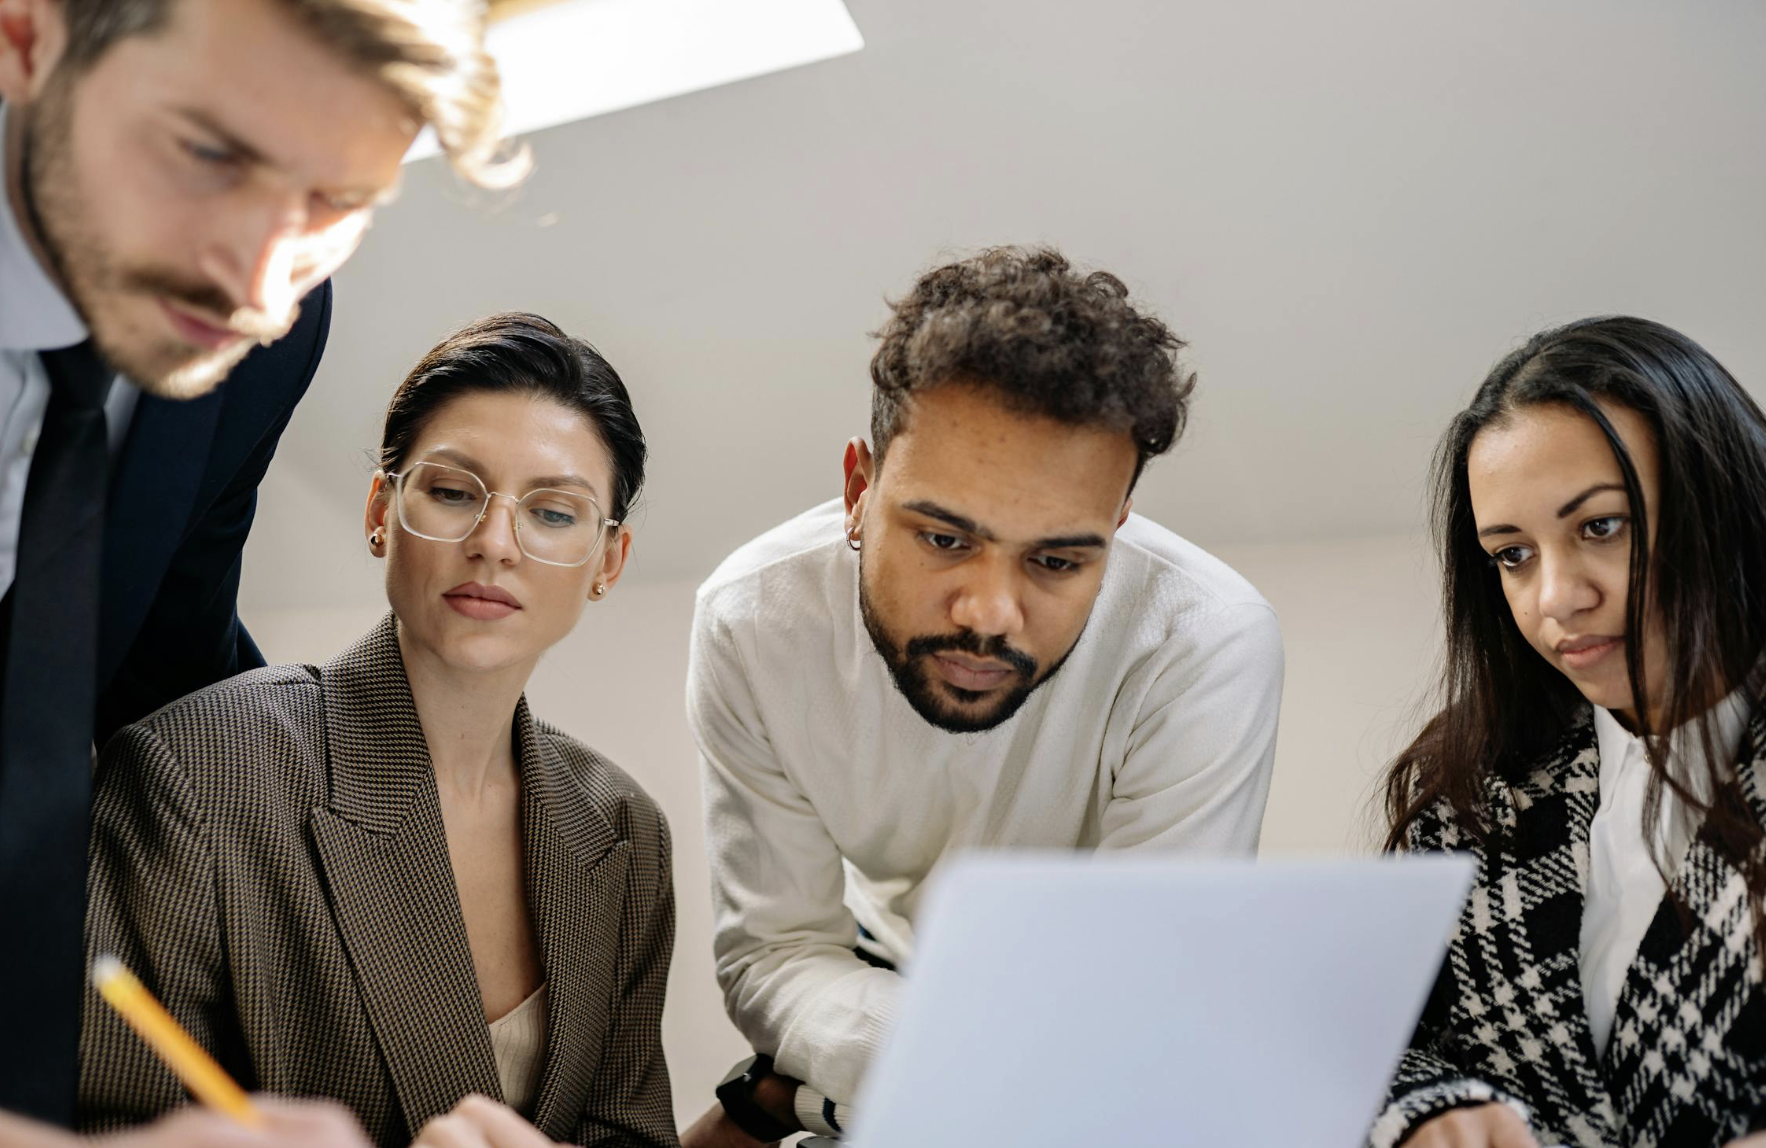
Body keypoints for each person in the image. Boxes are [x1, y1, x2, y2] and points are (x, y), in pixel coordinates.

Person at [0, 0, 519, 1136]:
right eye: (206, 154)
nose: (259, 276)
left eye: (338, 200)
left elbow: (164, 644)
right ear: (28, 37)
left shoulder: (266, 329)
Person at [682, 246, 1285, 1145]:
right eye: (943, 540)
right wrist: (932, 1060)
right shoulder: (754, 619)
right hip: (879, 988)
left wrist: (810, 1093)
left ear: (1116, 530)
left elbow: (1136, 1008)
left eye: (1056, 560)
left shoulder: (1204, 640)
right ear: (858, 489)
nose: (991, 614)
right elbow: (777, 955)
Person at [77, 314, 677, 1148]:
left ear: (607, 561)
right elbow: (103, 1121)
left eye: (553, 513)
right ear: (381, 513)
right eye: (454, 492)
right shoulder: (194, 770)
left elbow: (632, 1135)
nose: (493, 544)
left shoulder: (624, 832)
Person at [1374, 317, 1766, 1148]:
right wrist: (1429, 1113)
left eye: (1601, 527)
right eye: (1513, 554)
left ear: (1724, 507)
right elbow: (1381, 1044)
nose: (1555, 598)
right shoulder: (1470, 791)